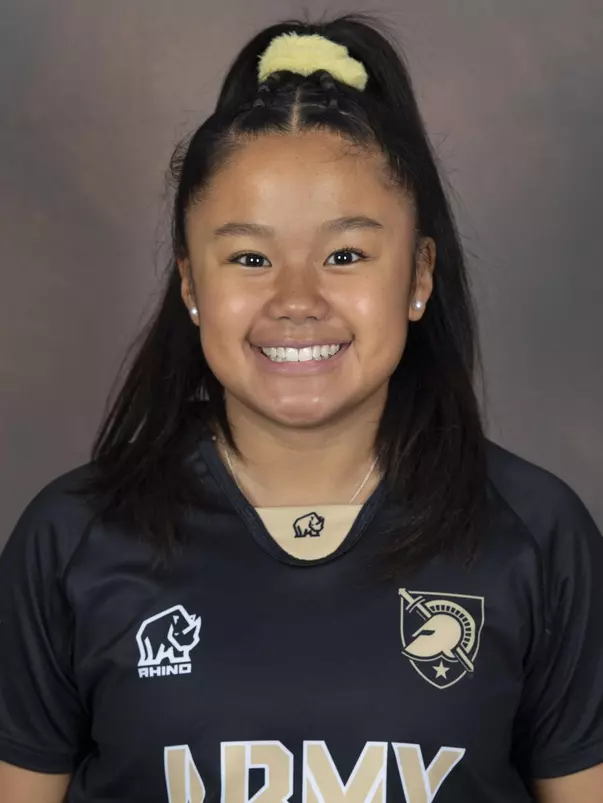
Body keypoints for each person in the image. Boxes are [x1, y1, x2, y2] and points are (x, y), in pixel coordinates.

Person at [0, 11, 602, 803]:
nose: (295, 299)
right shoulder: (70, 540)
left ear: (419, 275)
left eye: (344, 254)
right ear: (190, 283)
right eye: (249, 256)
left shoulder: (537, 536)